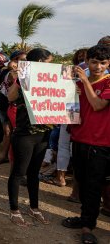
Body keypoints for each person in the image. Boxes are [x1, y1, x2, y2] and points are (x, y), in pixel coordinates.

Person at [62, 44, 110, 244]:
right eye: (94, 62)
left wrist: (84, 81)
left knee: (93, 186)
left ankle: (87, 226)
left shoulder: (107, 82)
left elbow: (98, 105)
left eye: (103, 63)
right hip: (79, 139)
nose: (98, 66)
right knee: (81, 180)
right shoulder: (78, 83)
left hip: (100, 144)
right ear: (87, 62)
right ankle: (84, 218)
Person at [7, 48, 53, 227]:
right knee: (19, 172)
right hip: (25, 133)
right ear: (39, 63)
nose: (50, 67)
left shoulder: (52, 82)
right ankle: (14, 210)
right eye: (48, 63)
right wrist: (19, 80)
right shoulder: (22, 78)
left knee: (34, 173)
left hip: (43, 133)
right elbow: (11, 97)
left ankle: (34, 207)